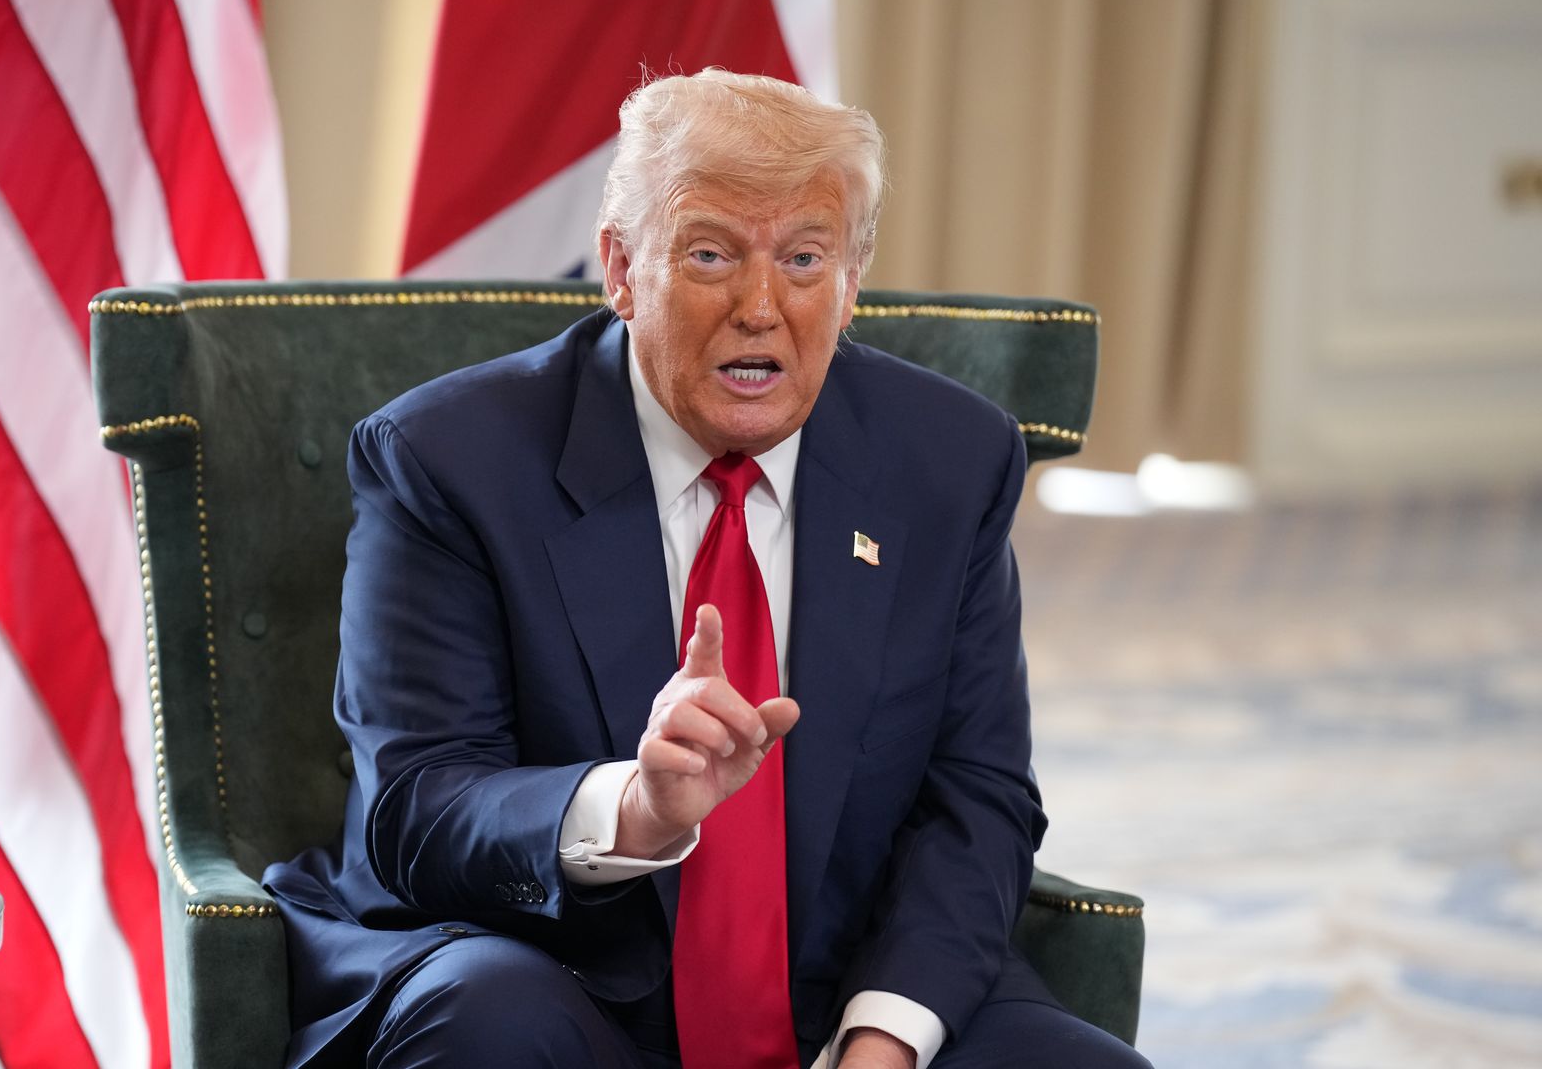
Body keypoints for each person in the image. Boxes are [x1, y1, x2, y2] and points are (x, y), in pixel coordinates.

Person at [263, 69, 1150, 1069]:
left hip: (840, 989)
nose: (761, 307)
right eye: (711, 254)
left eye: (806, 259)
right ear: (621, 268)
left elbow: (978, 796)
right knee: (487, 1027)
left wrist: (884, 1040)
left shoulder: (948, 460)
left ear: (853, 281)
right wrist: (635, 808)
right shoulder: (447, 461)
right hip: (555, 972)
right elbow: (417, 805)